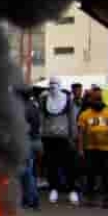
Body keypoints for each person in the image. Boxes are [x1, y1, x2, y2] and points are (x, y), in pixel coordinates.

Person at [77, 87, 108, 208]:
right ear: (91, 100)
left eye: (100, 99)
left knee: (107, 174)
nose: (98, 102)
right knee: (91, 173)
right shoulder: (85, 114)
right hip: (90, 148)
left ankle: (107, 199)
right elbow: (81, 133)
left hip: (107, 148)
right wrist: (80, 149)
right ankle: (90, 199)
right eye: (96, 99)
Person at [41, 77, 79, 205]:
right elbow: (42, 117)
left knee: (69, 165)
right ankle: (53, 189)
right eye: (50, 84)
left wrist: (73, 137)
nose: (53, 86)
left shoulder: (68, 100)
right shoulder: (44, 99)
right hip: (49, 137)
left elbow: (72, 119)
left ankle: (72, 190)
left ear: (60, 85)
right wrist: (42, 133)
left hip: (65, 138)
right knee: (52, 165)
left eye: (55, 84)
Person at [18, 88, 42, 210]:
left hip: (27, 142)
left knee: (26, 172)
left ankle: (33, 199)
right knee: (29, 172)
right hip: (35, 141)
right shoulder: (34, 106)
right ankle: (28, 199)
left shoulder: (23, 109)